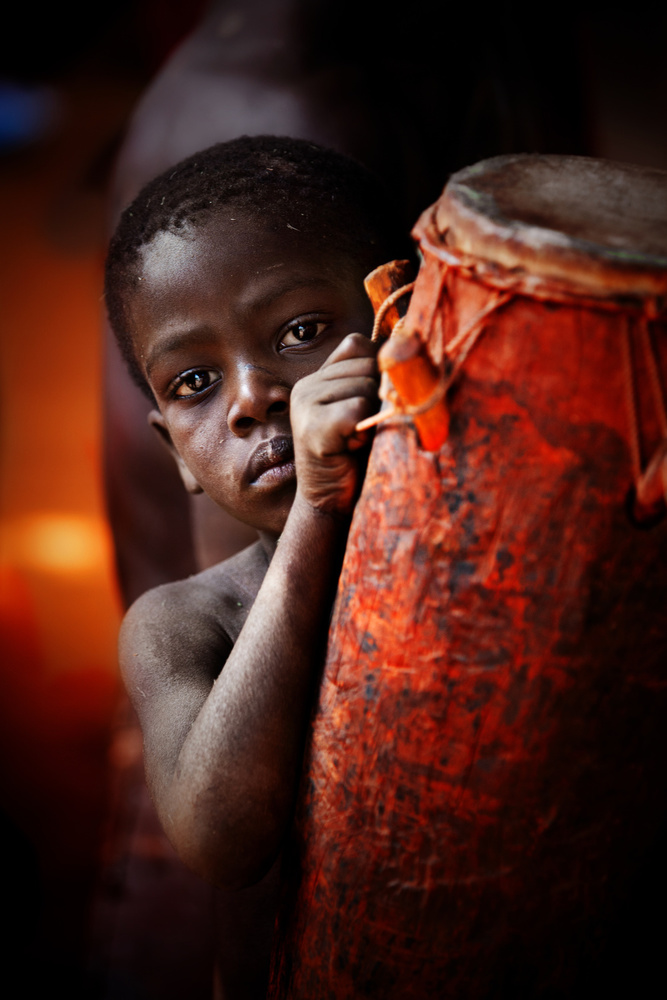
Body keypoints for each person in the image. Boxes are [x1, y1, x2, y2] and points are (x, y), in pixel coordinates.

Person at [104, 133, 411, 996]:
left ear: (404, 322)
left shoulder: (500, 554)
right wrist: (318, 506)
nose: (251, 398)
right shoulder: (185, 623)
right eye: (194, 383)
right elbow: (220, 838)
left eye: (301, 332)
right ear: (175, 453)